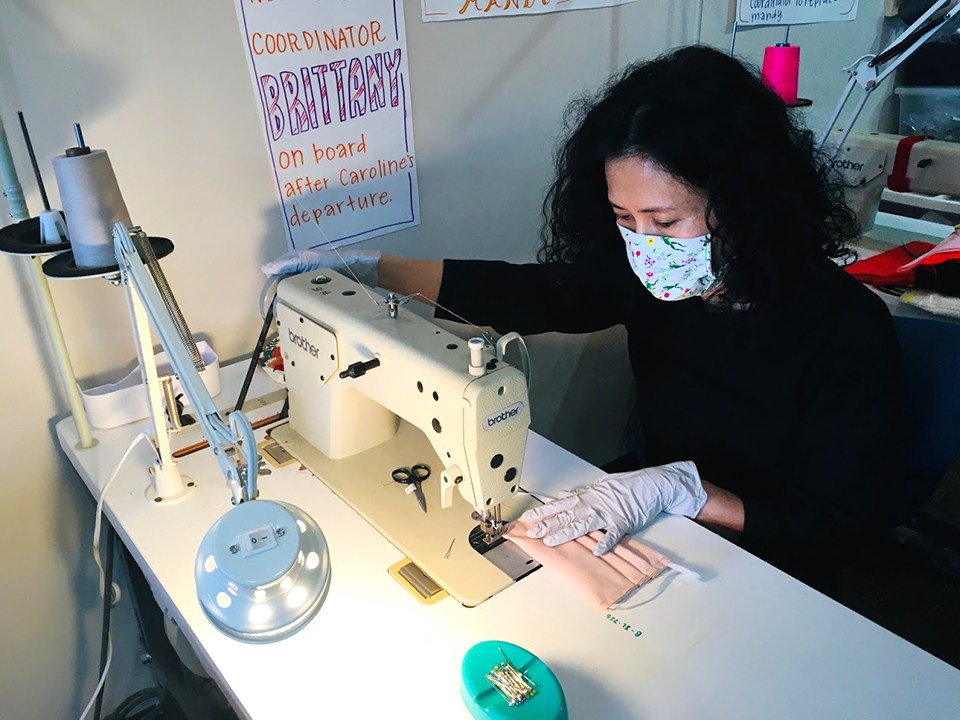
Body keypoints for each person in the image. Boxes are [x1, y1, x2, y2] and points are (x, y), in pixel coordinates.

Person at [262, 45, 904, 594]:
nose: (645, 244)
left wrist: (683, 491)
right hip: (654, 515)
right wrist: (375, 270)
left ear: (746, 201)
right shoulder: (647, 280)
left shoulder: (847, 331)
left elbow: (832, 529)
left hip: (769, 562)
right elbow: (537, 294)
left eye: (666, 221)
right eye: (625, 220)